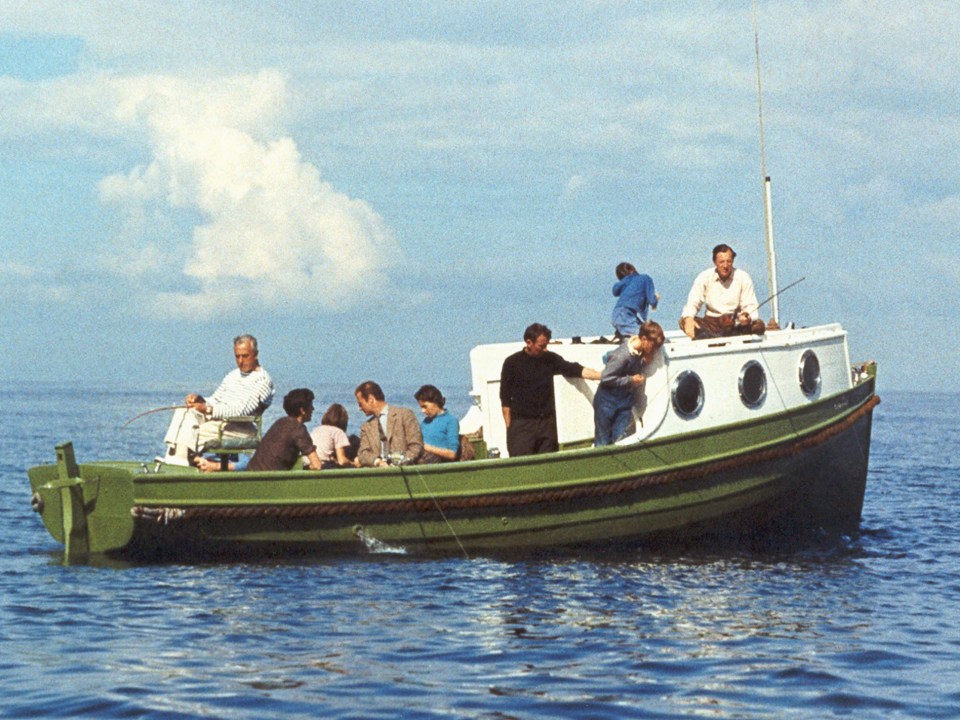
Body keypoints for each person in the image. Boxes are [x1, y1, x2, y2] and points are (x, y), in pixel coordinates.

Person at [161, 334, 275, 465]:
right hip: (220, 422)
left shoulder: (263, 381)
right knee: (183, 411)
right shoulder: (232, 376)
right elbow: (215, 399)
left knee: (195, 432)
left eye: (245, 356)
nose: (241, 361)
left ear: (256, 355)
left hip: (242, 428)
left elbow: (242, 411)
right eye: (237, 356)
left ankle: (180, 462)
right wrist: (199, 401)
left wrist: (207, 409)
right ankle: (176, 459)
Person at [499, 322, 601, 457]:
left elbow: (572, 369)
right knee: (522, 465)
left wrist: (601, 376)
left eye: (546, 345)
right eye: (541, 346)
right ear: (529, 342)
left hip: (546, 423)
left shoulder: (550, 359)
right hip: (522, 424)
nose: (545, 349)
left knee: (547, 463)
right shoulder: (512, 363)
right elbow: (504, 396)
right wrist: (510, 426)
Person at [195, 388, 323, 472]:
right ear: (302, 410)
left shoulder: (281, 422)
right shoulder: (298, 428)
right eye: (311, 406)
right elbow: (317, 465)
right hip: (268, 481)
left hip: (253, 471)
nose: (313, 410)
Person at [593, 321, 665, 446]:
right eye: (653, 347)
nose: (654, 351)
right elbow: (605, 378)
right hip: (606, 403)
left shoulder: (640, 350)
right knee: (603, 441)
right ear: (644, 339)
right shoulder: (622, 355)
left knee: (622, 439)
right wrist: (631, 380)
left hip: (624, 403)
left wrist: (645, 360)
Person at [680, 244, 765, 339]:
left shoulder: (743, 277)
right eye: (721, 262)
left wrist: (747, 317)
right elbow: (693, 303)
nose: (725, 266)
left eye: (729, 261)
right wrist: (688, 318)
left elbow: (751, 305)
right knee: (684, 321)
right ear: (714, 262)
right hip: (711, 324)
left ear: (733, 261)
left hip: (734, 323)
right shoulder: (704, 277)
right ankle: (708, 339)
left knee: (758, 326)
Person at [354, 381, 424, 467]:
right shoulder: (366, 427)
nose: (359, 408)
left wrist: (399, 463)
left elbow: (416, 446)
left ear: (371, 399)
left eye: (360, 404)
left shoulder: (404, 415)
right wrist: (378, 462)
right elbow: (363, 454)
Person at [611, 262, 660, 339]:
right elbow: (652, 300)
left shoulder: (626, 281)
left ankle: (622, 334)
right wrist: (656, 299)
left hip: (620, 313)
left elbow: (615, 290)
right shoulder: (645, 278)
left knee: (644, 331)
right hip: (625, 314)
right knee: (648, 336)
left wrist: (623, 281)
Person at [414, 385, 460, 463]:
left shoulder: (451, 421)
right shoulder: (425, 421)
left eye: (425, 406)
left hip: (437, 462)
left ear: (435, 402)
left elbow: (452, 454)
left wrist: (427, 448)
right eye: (421, 407)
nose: (423, 411)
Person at [309, 403, 353, 469]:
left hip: (308, 464)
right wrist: (353, 464)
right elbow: (342, 461)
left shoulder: (316, 429)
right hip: (322, 465)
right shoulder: (338, 431)